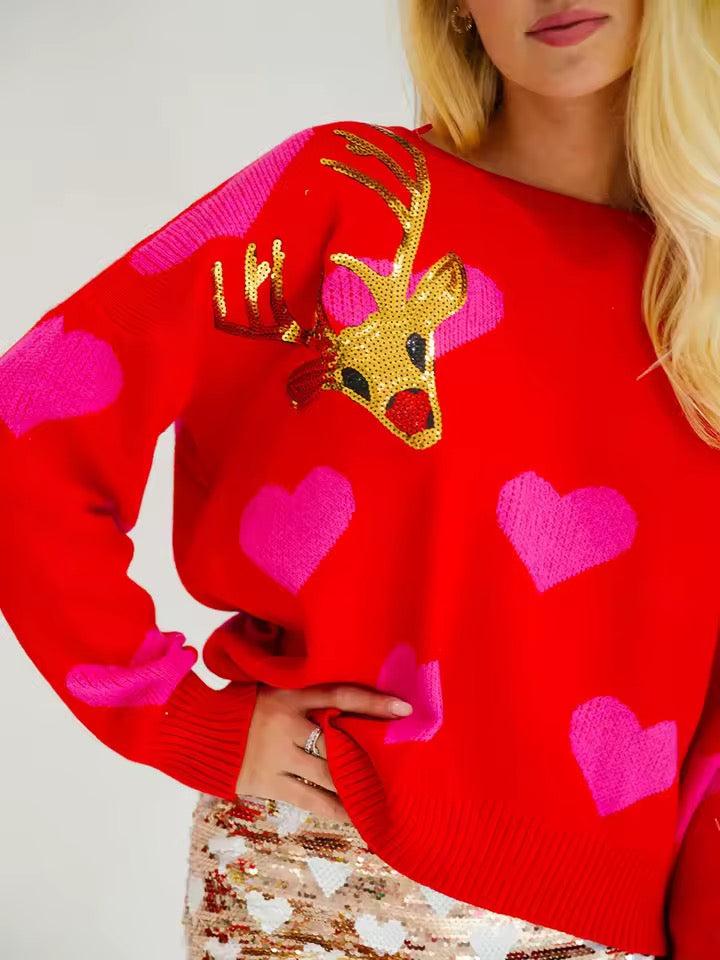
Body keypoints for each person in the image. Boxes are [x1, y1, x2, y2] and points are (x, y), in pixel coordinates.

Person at [1, 0, 718, 957]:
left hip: (615, 920)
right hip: (324, 882)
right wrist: (178, 717)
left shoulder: (703, 286)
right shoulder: (342, 195)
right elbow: (29, 417)